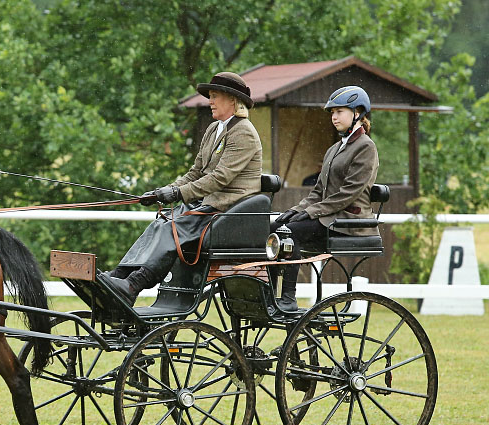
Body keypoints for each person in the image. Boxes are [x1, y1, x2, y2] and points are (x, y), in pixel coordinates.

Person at [99, 71, 263, 304]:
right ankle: (120, 276)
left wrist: (177, 193)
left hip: (228, 209)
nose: (210, 101)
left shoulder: (243, 132)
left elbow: (219, 179)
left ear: (233, 100)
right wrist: (164, 191)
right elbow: (195, 172)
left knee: (172, 229)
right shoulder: (213, 130)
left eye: (215, 96)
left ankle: (134, 284)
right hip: (207, 205)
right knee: (160, 223)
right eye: (210, 96)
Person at [271, 86, 379, 312]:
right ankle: (270, 293)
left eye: (339, 111)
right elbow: (318, 191)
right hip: (330, 217)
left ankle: (288, 298)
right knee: (276, 227)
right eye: (332, 112)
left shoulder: (366, 147)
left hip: (349, 221)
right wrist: (294, 210)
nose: (334, 117)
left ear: (357, 112)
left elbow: (349, 193)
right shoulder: (334, 149)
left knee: (290, 233)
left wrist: (311, 212)